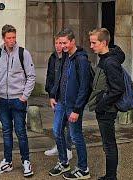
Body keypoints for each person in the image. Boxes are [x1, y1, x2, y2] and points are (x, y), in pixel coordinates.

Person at [0, 24, 36, 177]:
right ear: (3, 38)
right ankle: (7, 162)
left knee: (21, 132)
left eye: (14, 37)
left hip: (18, 100)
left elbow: (31, 76)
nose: (12, 41)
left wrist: (24, 96)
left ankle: (26, 162)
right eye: (9, 38)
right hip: (1, 100)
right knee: (6, 131)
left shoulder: (23, 53)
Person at [48, 28, 92, 179]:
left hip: (73, 106)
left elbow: (85, 86)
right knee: (56, 131)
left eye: (64, 42)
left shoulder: (81, 59)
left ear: (73, 41)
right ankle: (63, 162)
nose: (62, 46)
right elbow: (59, 78)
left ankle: (83, 168)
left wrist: (77, 109)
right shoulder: (65, 57)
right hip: (61, 102)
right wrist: (53, 95)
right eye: (59, 42)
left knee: (75, 136)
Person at [88, 28, 125, 180]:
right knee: (107, 144)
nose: (91, 46)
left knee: (109, 145)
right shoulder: (105, 58)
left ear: (103, 43)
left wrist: (102, 105)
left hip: (107, 110)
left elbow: (118, 89)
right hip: (104, 108)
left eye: (94, 43)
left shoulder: (110, 62)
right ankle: (110, 176)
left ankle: (111, 177)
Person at [44, 33, 73, 160]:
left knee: (68, 124)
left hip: (68, 96)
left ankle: (68, 148)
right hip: (56, 95)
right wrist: (51, 95)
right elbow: (50, 76)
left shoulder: (69, 58)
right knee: (58, 125)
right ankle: (59, 145)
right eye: (56, 43)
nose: (57, 46)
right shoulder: (53, 57)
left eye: (60, 43)